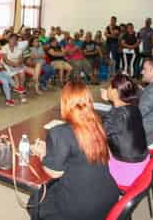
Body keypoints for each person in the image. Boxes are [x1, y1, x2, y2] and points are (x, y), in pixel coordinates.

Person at [29, 82, 119, 220]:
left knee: (34, 202)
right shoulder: (99, 124)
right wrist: (52, 150)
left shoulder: (60, 132)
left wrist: (42, 154)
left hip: (81, 209)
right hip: (109, 197)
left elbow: (55, 173)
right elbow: (101, 153)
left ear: (65, 103)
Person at [101, 74, 150, 186]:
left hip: (128, 173)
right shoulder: (133, 107)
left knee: (87, 156)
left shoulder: (115, 117)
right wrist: (113, 100)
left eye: (109, 87)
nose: (107, 89)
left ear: (114, 92)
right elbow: (117, 116)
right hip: (141, 162)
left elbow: (95, 134)